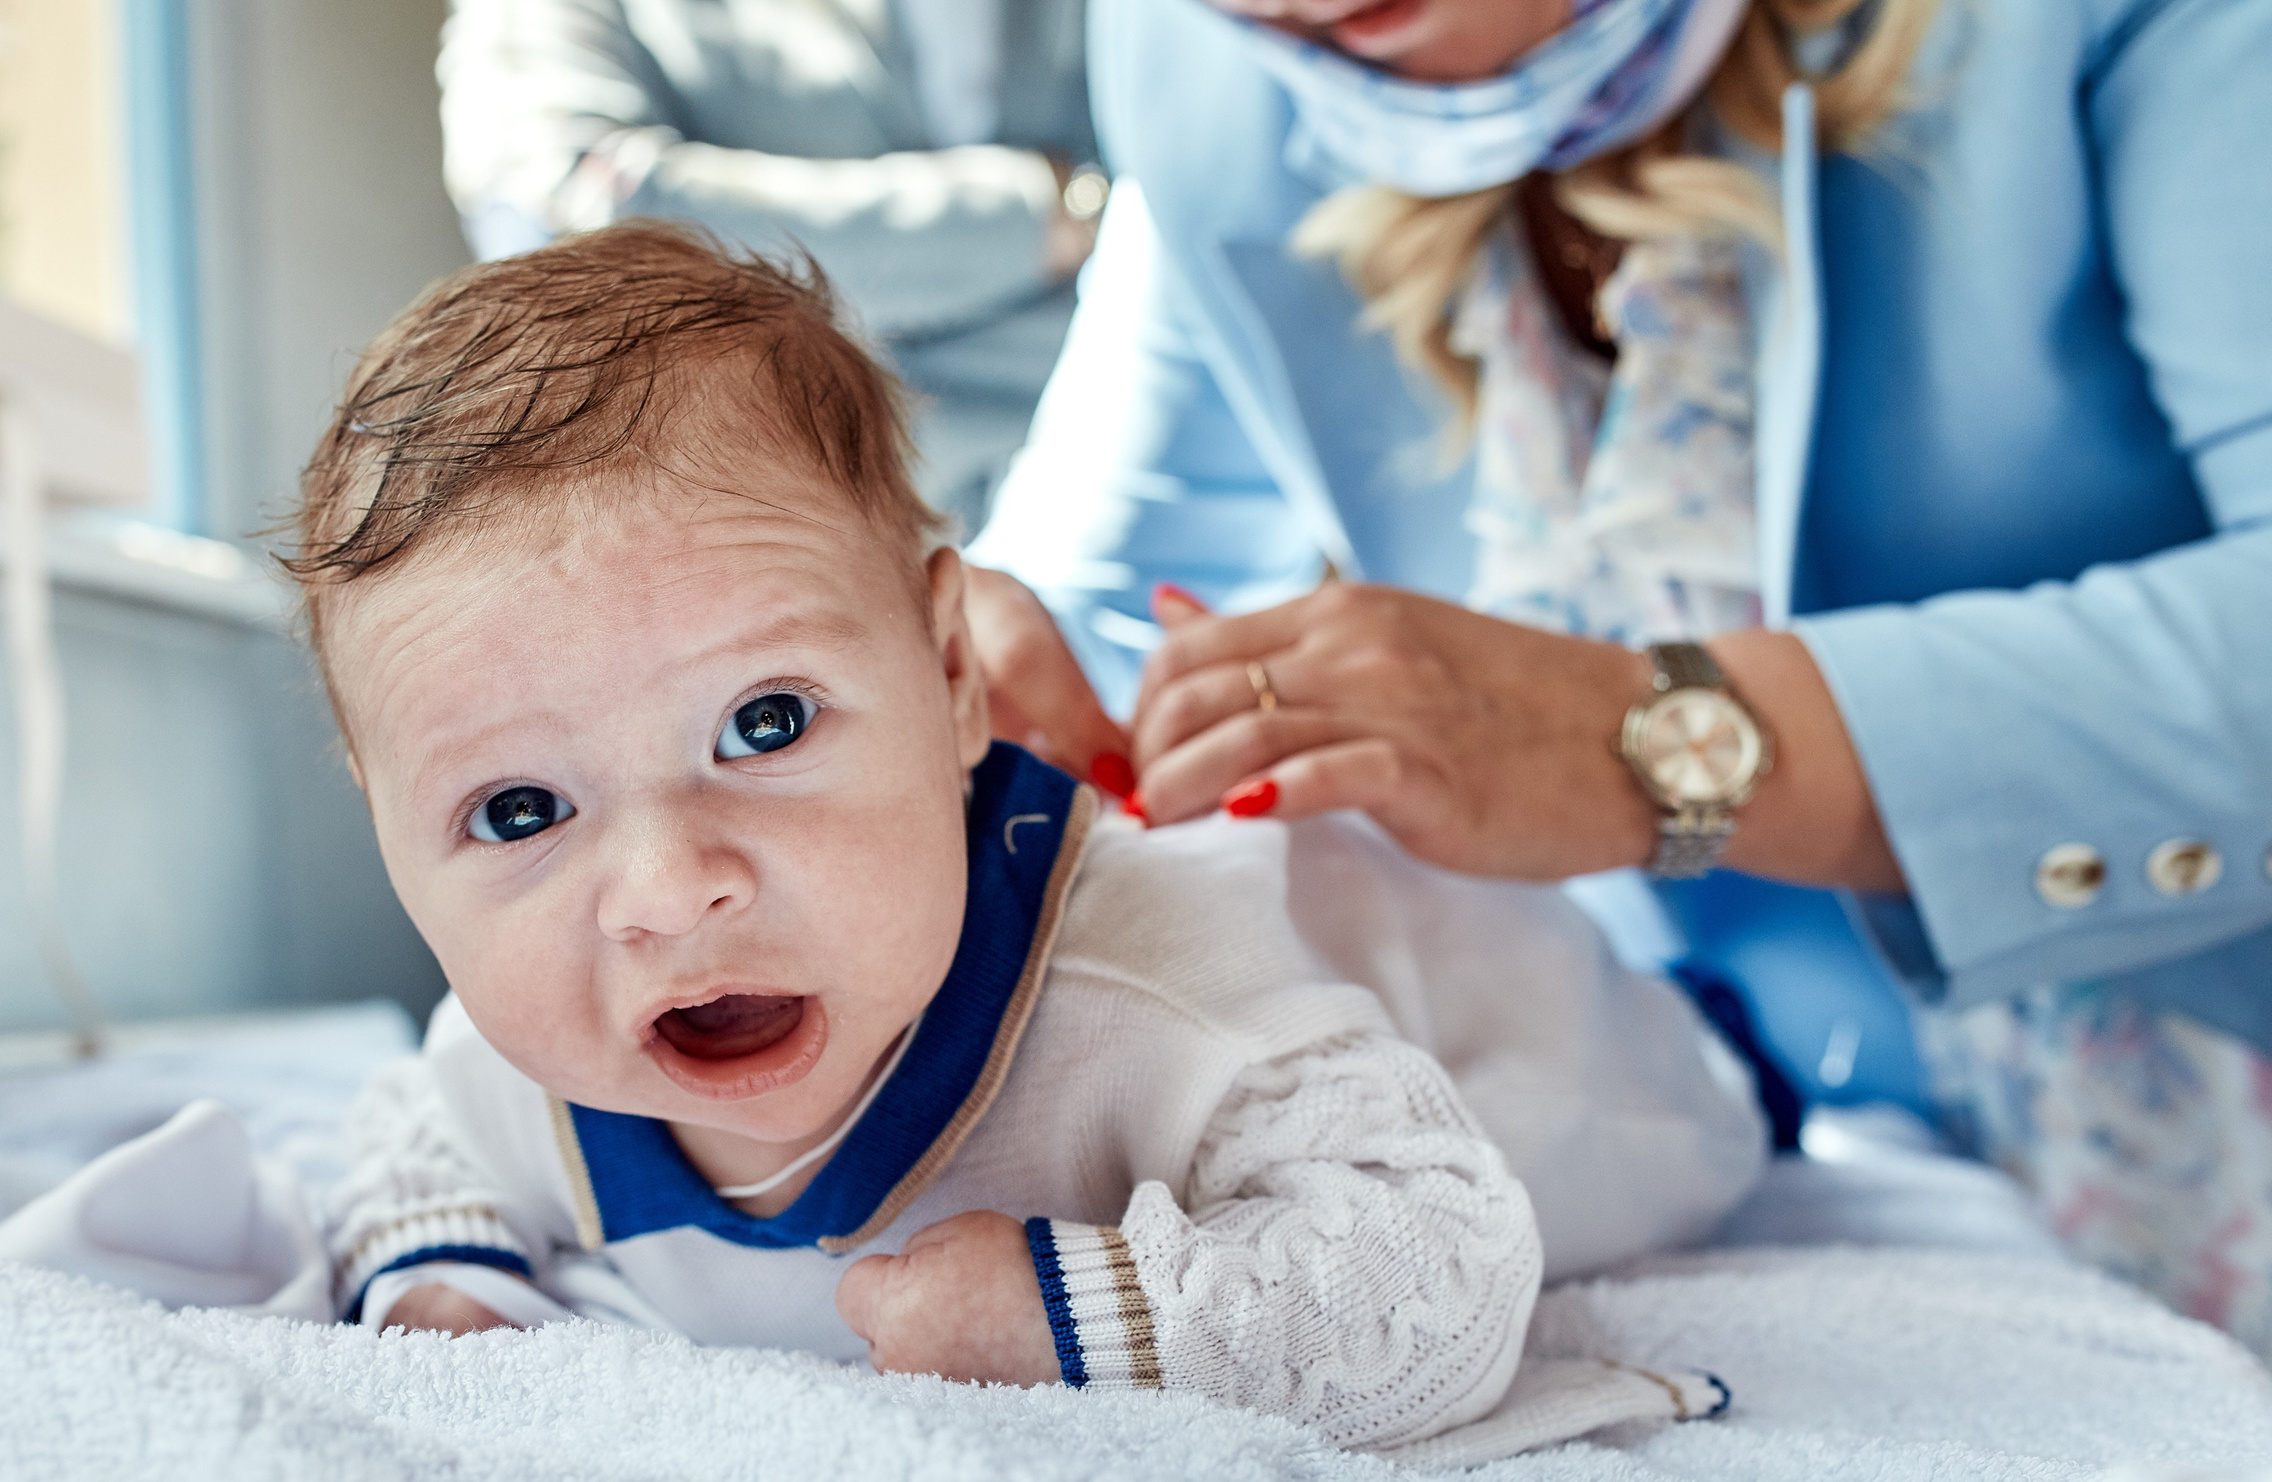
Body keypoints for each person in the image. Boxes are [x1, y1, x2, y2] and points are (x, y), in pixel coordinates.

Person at [281, 226, 1768, 1451]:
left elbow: (1441, 1265)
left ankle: (1732, 1040)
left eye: (766, 724)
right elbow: (412, 1130)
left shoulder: (1160, 986)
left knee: (1681, 1114)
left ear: (949, 676)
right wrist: (438, 1280)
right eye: (521, 811)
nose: (672, 891)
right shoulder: (534, 1043)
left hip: (1581, 1055)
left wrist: (1070, 1316)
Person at [963, 0, 2272, 1350]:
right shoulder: (1205, 66)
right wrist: (948, 666)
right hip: (1714, 1150)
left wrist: (1654, 743)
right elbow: (1103, 610)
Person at [438, 0, 1106, 534]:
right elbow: (601, 243)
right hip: (905, 541)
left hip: (1148, 435)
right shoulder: (525, 22)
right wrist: (1036, 218)